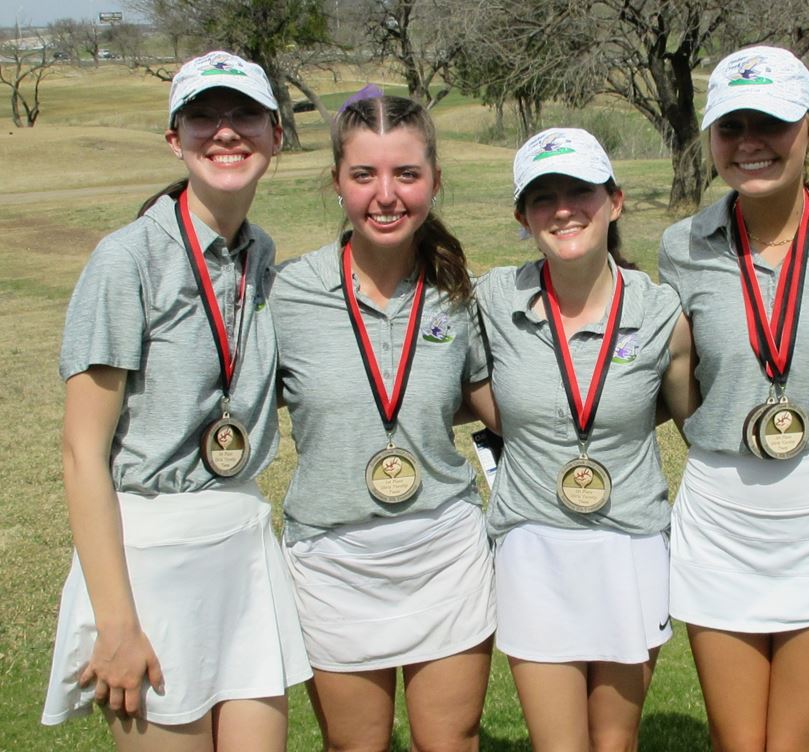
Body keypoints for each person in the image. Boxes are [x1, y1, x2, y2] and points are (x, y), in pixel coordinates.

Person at [41, 51, 311, 750]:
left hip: (243, 547)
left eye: (245, 114)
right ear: (175, 139)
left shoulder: (261, 254)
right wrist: (117, 621)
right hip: (147, 561)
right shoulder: (126, 259)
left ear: (276, 134)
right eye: (202, 118)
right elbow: (81, 454)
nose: (225, 132)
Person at [657, 46, 809, 751]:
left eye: (771, 123)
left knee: (798, 743)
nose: (749, 143)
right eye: (731, 127)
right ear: (710, 139)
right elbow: (677, 373)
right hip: (722, 509)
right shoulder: (683, 244)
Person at [270, 90, 495, 752]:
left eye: (406, 174)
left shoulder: (456, 294)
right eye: (363, 175)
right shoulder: (289, 292)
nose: (385, 195)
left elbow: (495, 407)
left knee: (450, 739)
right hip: (332, 556)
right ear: (336, 181)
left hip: (444, 549)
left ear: (434, 181)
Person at [475, 127, 695, 751]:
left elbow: (695, 421)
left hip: (629, 543)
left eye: (581, 190)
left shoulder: (659, 311)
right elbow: (450, 377)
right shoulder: (493, 300)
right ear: (523, 216)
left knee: (615, 745)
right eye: (543, 198)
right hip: (533, 545)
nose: (564, 208)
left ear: (615, 201)